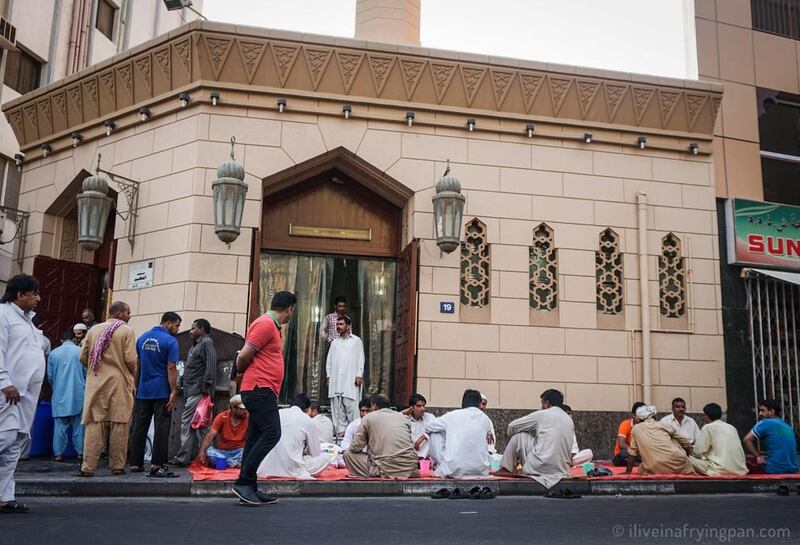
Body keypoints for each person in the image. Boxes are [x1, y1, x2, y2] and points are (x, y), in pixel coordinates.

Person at [232, 290, 297, 506]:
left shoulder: (271, 326)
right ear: (289, 309)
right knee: (272, 434)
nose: (291, 315)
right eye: (291, 311)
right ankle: (243, 482)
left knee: (255, 437)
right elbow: (243, 356)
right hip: (260, 389)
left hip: (262, 389)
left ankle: (249, 487)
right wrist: (240, 370)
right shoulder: (266, 324)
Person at [0, 274, 46, 513]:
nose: (38, 298)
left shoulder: (28, 320)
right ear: (20, 294)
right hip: (8, 392)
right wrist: (4, 382)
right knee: (4, 438)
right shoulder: (3, 315)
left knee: (16, 443)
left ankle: (4, 497)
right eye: (34, 294)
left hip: (26, 394)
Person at [79, 301, 138, 477]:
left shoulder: (93, 330)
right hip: (119, 383)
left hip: (96, 383)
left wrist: (95, 368)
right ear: (119, 314)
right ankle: (117, 466)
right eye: (128, 312)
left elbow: (83, 357)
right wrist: (131, 375)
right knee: (119, 424)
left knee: (95, 424)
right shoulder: (127, 330)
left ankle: (88, 467)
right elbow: (131, 359)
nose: (129, 316)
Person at [129, 312, 181, 477]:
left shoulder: (142, 338)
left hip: (143, 390)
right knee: (162, 427)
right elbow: (171, 367)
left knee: (139, 426)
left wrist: (135, 385)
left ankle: (135, 464)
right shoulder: (171, 341)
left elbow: (138, 364)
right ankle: (157, 463)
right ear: (168, 323)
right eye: (177, 325)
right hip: (162, 391)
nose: (178, 329)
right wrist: (173, 391)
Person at [498, 389, 574, 489]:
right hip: (562, 470)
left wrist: (511, 437)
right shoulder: (569, 419)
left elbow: (512, 426)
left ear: (547, 403)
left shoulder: (542, 414)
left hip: (539, 467)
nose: (541, 407)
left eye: (542, 403)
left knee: (518, 437)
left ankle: (507, 468)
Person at [171, 318, 217, 467]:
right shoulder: (196, 345)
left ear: (202, 329)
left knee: (189, 422)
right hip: (192, 390)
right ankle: (203, 457)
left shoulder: (206, 343)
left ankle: (184, 458)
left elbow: (211, 366)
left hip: (198, 390)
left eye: (193, 328)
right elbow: (191, 367)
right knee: (199, 424)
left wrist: (205, 386)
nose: (191, 331)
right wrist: (182, 380)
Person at [258, 394, 331, 479]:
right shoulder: (307, 420)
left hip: (266, 467)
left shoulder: (277, 414)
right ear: (307, 409)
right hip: (292, 469)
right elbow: (316, 453)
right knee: (326, 458)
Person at [344, 394, 418, 478]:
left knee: (347, 454)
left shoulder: (368, 417)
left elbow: (356, 447)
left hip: (383, 469)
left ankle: (374, 473)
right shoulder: (403, 418)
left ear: (375, 406)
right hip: (410, 469)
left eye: (370, 407)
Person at [425, 389, 493, 478]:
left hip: (453, 469)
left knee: (435, 432)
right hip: (481, 470)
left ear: (463, 402)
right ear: (479, 403)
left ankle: (442, 466)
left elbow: (428, 427)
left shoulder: (453, 415)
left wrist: (447, 430)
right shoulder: (486, 419)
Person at [47, 331, 85, 462]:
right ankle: (80, 453)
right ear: (74, 339)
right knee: (79, 426)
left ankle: (58, 454)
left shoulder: (53, 353)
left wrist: (57, 386)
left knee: (60, 427)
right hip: (78, 394)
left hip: (59, 395)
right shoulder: (80, 351)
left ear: (62, 340)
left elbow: (50, 376)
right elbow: (87, 374)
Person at [626, 405, 696, 475]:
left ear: (639, 418)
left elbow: (632, 453)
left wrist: (628, 472)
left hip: (653, 467)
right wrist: (687, 456)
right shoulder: (663, 425)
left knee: (642, 468)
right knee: (674, 439)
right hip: (678, 464)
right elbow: (686, 442)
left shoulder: (636, 429)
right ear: (654, 416)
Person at [326, 314, 364, 436]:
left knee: (352, 408)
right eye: (337, 324)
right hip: (335, 381)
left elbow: (360, 358)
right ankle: (340, 433)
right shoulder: (334, 343)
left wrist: (359, 374)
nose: (338, 326)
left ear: (348, 326)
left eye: (341, 324)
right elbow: (329, 361)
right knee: (337, 409)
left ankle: (354, 434)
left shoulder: (356, 341)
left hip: (350, 381)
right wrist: (328, 376)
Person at [742, 399, 799, 475]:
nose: (759, 413)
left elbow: (746, 439)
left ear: (772, 411)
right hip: (793, 470)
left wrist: (757, 457)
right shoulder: (788, 427)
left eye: (763, 410)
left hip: (773, 469)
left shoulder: (766, 422)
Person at [689, 403, 747, 476]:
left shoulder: (708, 427)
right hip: (740, 470)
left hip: (720, 469)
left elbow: (697, 452)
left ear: (706, 416)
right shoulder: (732, 427)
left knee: (687, 458)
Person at [198, 394, 249, 468]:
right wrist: (201, 452)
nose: (245, 411)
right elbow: (210, 435)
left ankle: (228, 463)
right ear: (233, 408)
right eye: (242, 409)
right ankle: (235, 464)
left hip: (240, 452)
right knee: (209, 452)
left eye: (246, 408)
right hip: (223, 453)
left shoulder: (249, 417)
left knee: (250, 452)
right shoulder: (222, 417)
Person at [402, 393, 435, 459]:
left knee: (433, 436)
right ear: (412, 407)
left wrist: (422, 438)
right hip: (409, 454)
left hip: (426, 455)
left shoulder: (429, 417)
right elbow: (392, 421)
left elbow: (438, 428)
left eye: (423, 405)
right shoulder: (405, 418)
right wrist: (403, 412)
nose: (423, 408)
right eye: (419, 406)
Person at [612, 401, 645, 467]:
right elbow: (622, 444)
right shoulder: (625, 424)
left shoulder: (646, 425)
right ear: (633, 415)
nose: (642, 417)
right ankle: (637, 463)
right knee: (624, 454)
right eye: (640, 415)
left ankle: (636, 463)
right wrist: (636, 452)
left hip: (640, 454)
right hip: (627, 453)